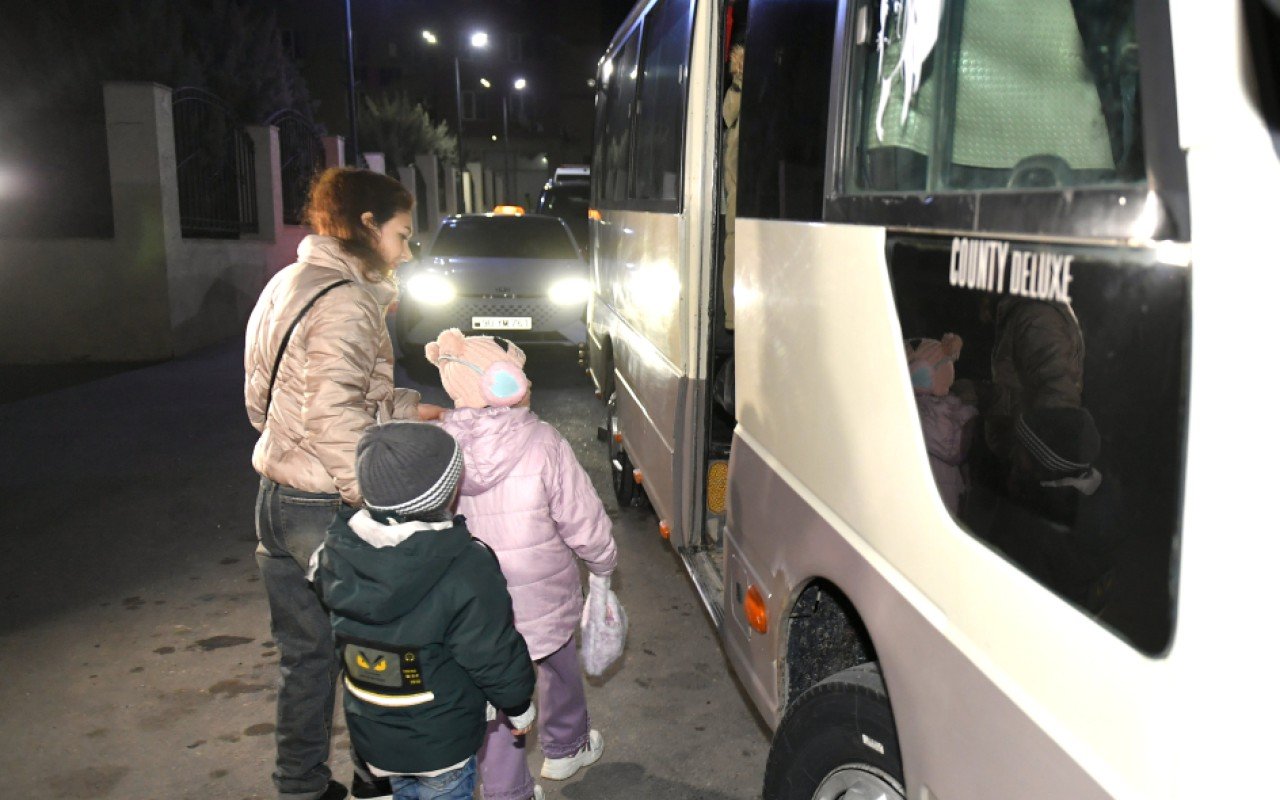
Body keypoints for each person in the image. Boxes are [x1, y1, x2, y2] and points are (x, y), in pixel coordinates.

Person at [244, 167, 447, 800]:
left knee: (305, 657)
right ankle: (376, 779)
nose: (407, 250)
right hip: (323, 505)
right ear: (367, 225)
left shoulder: (289, 281)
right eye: (402, 234)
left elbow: (273, 395)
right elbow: (334, 415)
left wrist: (405, 408)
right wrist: (372, 503)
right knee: (374, 653)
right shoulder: (348, 301)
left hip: (276, 498)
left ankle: (300, 785)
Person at [425, 328, 618, 800]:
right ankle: (566, 746)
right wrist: (602, 562)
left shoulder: (439, 446)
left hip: (474, 602)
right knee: (558, 662)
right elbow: (580, 514)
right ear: (503, 383)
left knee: (496, 692)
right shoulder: (543, 440)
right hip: (542, 589)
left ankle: (508, 789)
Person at [312, 422, 537, 800]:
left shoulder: (337, 554)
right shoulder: (465, 565)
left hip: (376, 735)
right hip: (444, 740)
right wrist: (518, 705)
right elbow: (491, 650)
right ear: (447, 494)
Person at [905, 334, 979, 516]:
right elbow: (952, 448)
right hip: (942, 497)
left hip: (931, 496)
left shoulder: (919, 410)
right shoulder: (939, 411)